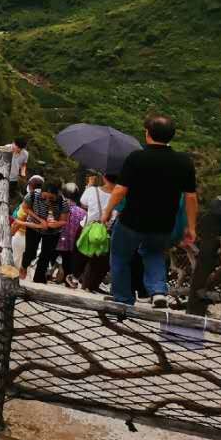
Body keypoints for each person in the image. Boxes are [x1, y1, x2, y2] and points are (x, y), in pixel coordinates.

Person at [102, 113, 198, 308]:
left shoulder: (137, 157)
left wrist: (107, 211)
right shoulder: (183, 161)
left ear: (148, 133)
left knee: (120, 255)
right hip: (163, 223)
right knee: (154, 253)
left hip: (132, 220)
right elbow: (191, 197)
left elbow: (120, 190)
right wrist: (191, 227)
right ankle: (158, 291)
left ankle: (123, 298)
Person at [17, 176, 66, 283]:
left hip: (52, 232)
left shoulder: (63, 202)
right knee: (31, 251)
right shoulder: (33, 195)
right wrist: (39, 220)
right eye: (45, 197)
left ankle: (38, 279)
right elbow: (25, 207)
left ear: (57, 194)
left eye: (51, 198)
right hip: (34, 227)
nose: (48, 200)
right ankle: (24, 266)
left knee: (45, 255)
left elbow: (64, 220)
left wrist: (55, 224)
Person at [78, 172, 117, 293]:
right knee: (101, 258)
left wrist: (90, 185)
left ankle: (82, 281)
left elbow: (83, 202)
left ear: (104, 177)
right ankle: (91, 284)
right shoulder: (120, 194)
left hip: (89, 228)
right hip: (106, 230)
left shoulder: (92, 191)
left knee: (86, 254)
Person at [56, 182, 87, 287]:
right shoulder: (83, 212)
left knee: (62, 259)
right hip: (75, 243)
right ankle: (68, 279)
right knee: (70, 261)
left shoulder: (59, 208)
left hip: (59, 241)